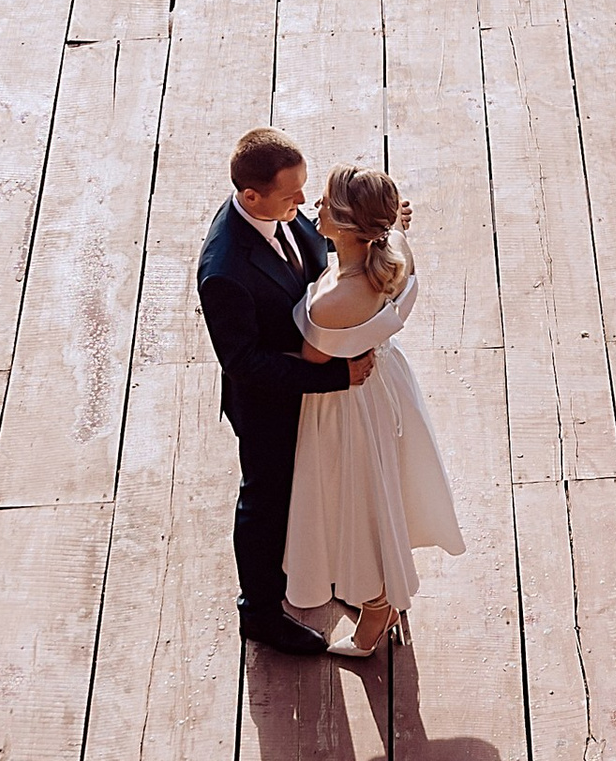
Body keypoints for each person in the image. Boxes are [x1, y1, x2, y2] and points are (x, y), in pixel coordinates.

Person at [196, 127, 375, 660]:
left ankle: (322, 572)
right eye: (290, 195)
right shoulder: (223, 270)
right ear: (251, 196)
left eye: (303, 190)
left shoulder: (281, 213)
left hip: (310, 391)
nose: (303, 203)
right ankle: (260, 613)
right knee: (265, 505)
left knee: (322, 485)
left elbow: (318, 252)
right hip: (269, 406)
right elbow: (244, 363)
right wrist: (334, 376)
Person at [283, 164, 463, 656]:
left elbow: (311, 361)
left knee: (352, 505)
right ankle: (378, 592)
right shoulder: (395, 255)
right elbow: (396, 234)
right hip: (385, 385)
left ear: (343, 223)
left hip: (342, 409)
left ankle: (377, 605)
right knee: (381, 492)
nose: (313, 208)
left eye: (322, 202)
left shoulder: (333, 302)